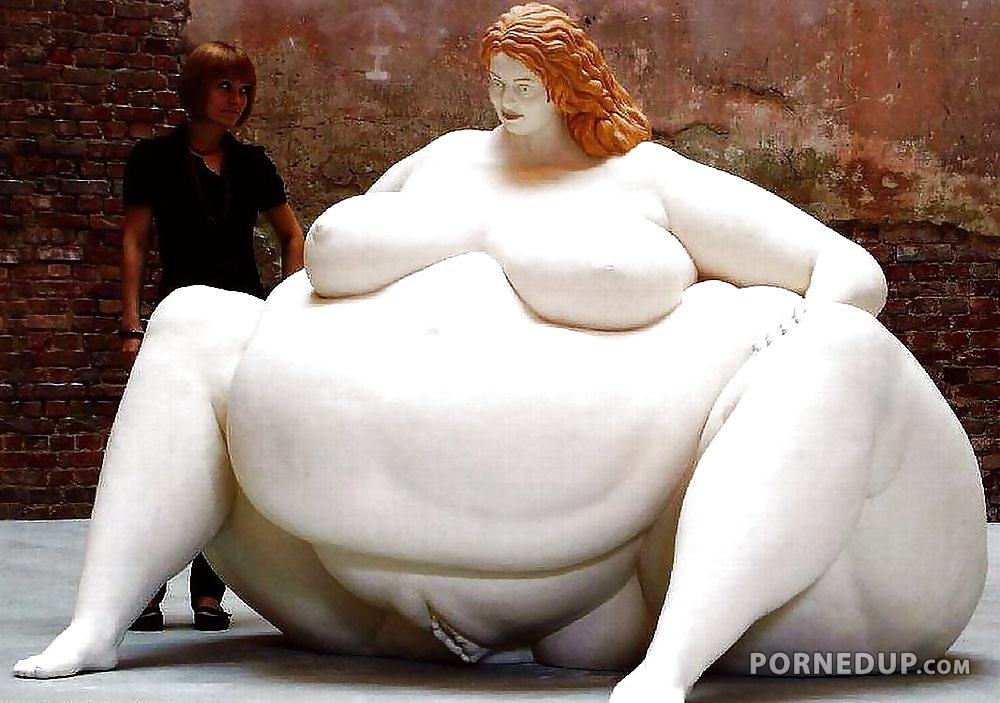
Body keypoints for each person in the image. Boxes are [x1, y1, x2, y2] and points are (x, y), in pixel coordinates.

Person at [16, 5, 985, 703]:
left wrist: (799, 323)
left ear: (570, 86)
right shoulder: (442, 162)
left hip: (605, 585)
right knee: (192, 317)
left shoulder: (647, 180)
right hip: (344, 569)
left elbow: (846, 269)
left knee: (841, 348)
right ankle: (97, 623)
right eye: (498, 85)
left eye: (526, 87)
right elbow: (329, 267)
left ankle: (670, 666)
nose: (508, 102)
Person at [117, 40, 304, 632]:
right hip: (176, 318)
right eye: (225, 86)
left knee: (224, 453)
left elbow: (292, 236)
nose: (236, 99)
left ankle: (207, 592)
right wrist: (130, 322)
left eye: (244, 90)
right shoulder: (153, 158)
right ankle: (145, 588)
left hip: (240, 318)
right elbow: (135, 241)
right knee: (163, 450)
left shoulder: (254, 165)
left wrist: (285, 310)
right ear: (197, 89)